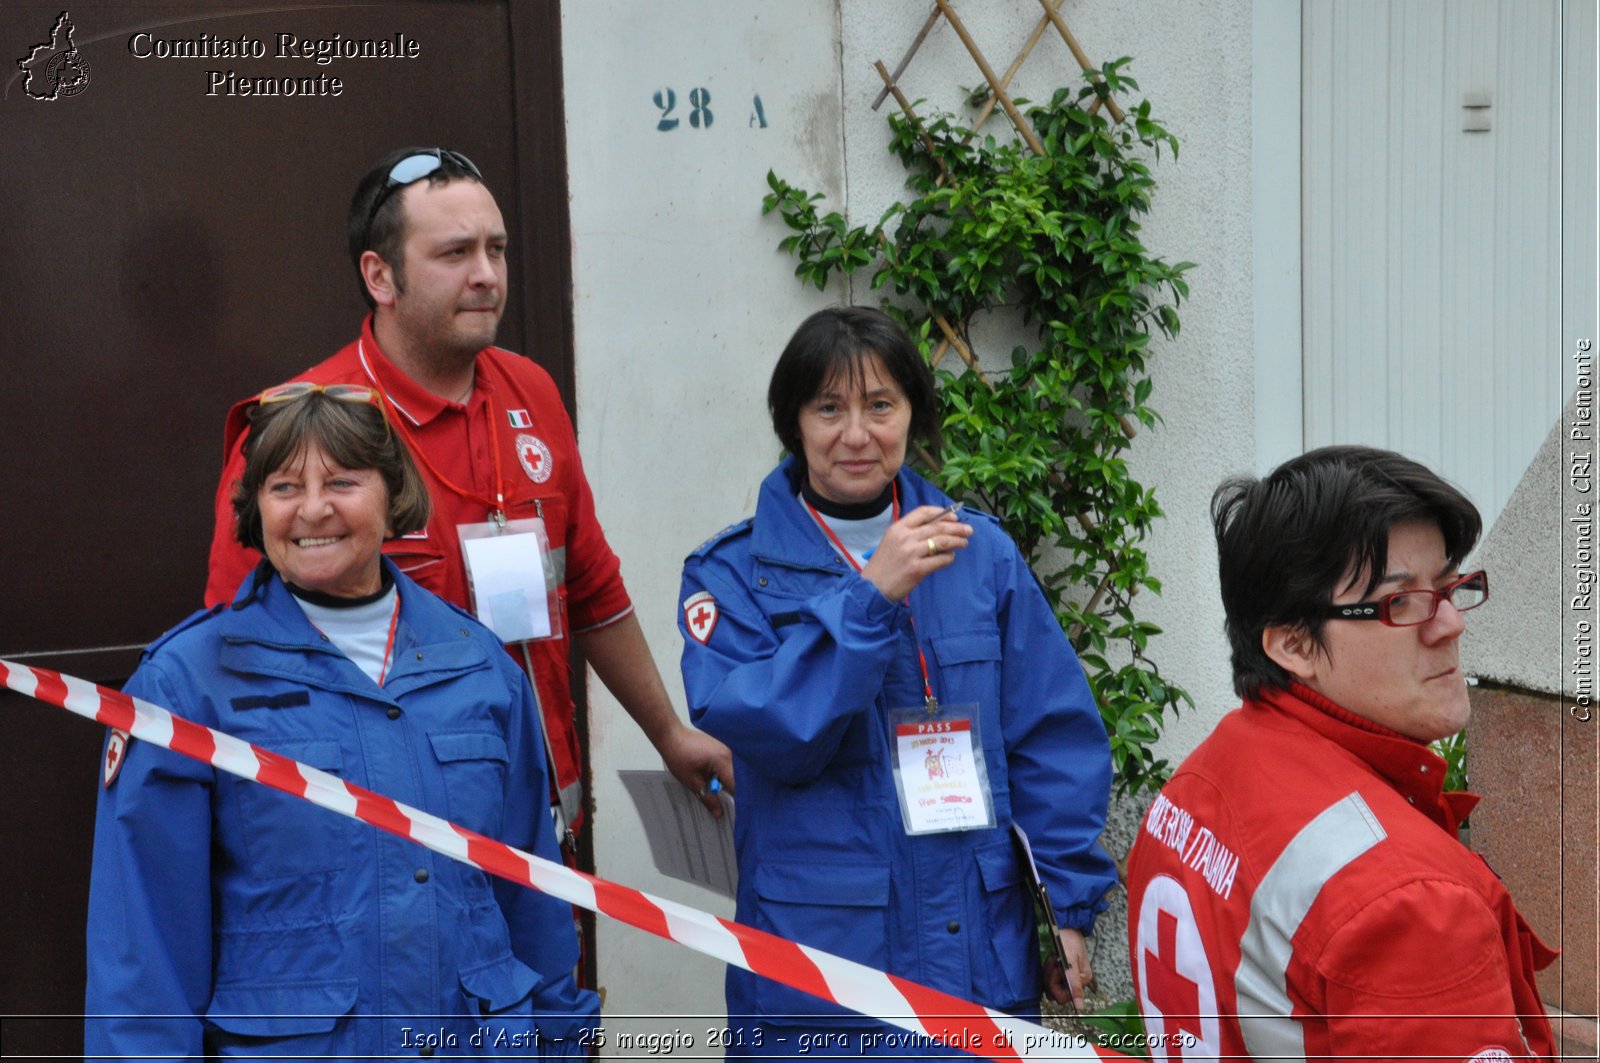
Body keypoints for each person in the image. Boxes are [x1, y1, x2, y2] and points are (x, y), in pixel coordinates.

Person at [204, 148, 732, 845]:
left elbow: (593, 588)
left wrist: (667, 732)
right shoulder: (303, 428)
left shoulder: (531, 390)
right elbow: (237, 647)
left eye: (497, 249)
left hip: (543, 834)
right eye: (455, 253)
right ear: (379, 275)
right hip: (393, 840)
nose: (487, 275)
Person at [87, 386, 598, 1059]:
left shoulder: (481, 668)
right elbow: (140, 953)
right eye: (284, 485)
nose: (312, 508)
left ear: (393, 494)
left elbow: (534, 905)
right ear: (255, 508)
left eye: (342, 481)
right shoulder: (186, 684)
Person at [677, 307, 1117, 1053]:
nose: (857, 433)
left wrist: (1064, 912)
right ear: (793, 422)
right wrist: (869, 596)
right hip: (825, 972)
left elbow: (1053, 736)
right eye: (829, 408)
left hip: (978, 957)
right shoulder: (729, 572)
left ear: (912, 411)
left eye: (881, 405)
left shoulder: (982, 554)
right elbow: (774, 732)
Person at [1125, 446, 1558, 1061]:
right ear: (1294, 645)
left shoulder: (1198, 781)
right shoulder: (1413, 902)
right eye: (1399, 603)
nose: (1451, 625)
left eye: (1447, 586)